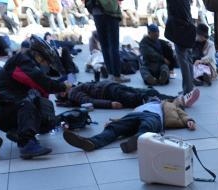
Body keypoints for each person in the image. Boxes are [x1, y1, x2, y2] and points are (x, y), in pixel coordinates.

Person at [0, 36, 69, 159]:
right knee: (27, 103)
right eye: (46, 62)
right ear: (38, 56)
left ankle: (17, 132)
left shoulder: (28, 64)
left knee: (44, 109)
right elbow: (39, 81)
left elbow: (42, 92)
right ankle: (26, 144)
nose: (47, 66)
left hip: (9, 106)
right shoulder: (22, 61)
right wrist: (61, 87)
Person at [62, 94, 195, 152]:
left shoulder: (168, 104)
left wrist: (189, 120)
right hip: (134, 115)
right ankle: (91, 142)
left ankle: (136, 140)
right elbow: (126, 117)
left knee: (147, 126)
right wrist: (115, 121)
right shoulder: (141, 106)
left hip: (153, 117)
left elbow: (182, 114)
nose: (153, 98)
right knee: (114, 128)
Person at [59, 79, 199, 108]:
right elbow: (88, 102)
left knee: (148, 91)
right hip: (109, 92)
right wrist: (110, 104)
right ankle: (178, 102)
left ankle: (177, 99)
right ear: (63, 93)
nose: (66, 82)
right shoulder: (73, 93)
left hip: (112, 87)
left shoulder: (75, 88)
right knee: (140, 97)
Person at [166, 0, 198, 92]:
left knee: (183, 61)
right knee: (188, 59)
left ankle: (187, 90)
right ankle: (190, 87)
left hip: (180, 30)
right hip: (187, 30)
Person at [91, 0, 125, 82]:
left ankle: (110, 74)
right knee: (114, 45)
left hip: (96, 12)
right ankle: (116, 75)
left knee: (104, 45)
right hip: (110, 12)